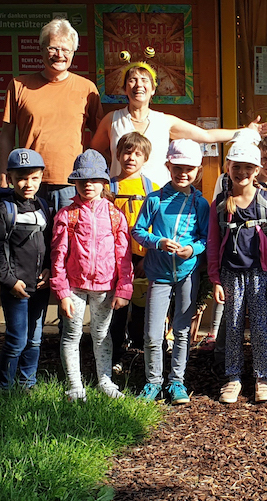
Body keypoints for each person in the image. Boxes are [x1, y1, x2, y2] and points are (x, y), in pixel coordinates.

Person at [91, 61, 267, 187]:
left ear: (153, 89)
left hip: (157, 196)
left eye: (145, 81)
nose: (139, 85)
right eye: (133, 80)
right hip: (121, 196)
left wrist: (246, 131)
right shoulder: (112, 119)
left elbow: (206, 136)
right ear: (124, 88)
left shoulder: (164, 121)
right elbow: (95, 154)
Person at [51, 149, 133, 402]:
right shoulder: (67, 215)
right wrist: (62, 292)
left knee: (101, 334)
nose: (88, 184)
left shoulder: (115, 215)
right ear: (74, 182)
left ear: (104, 182)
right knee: (71, 334)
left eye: (95, 179)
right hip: (74, 287)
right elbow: (58, 256)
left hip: (105, 287)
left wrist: (123, 289)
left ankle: (105, 380)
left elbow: (124, 256)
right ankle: (74, 385)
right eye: (82, 180)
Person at [131, 140, 209, 405]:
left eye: (189, 168)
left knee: (182, 329)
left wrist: (192, 249)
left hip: (187, 273)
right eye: (177, 167)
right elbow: (138, 231)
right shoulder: (155, 199)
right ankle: (153, 381)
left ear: (198, 170)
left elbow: (206, 238)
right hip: (159, 274)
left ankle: (177, 381)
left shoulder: (201, 203)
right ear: (168, 166)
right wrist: (158, 242)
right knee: (153, 332)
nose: (183, 173)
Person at [207, 140, 267, 404]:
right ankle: (233, 378)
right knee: (234, 324)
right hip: (230, 274)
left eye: (248, 168)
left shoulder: (266, 201)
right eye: (237, 167)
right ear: (228, 167)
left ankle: (262, 378)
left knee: (261, 326)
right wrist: (215, 279)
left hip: (260, 274)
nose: (242, 173)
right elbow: (213, 242)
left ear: (257, 169)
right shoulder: (219, 203)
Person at [0, 18, 103, 210]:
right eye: (53, 48)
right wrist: (4, 176)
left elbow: (100, 138)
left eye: (66, 50)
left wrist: (97, 179)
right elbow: (6, 135)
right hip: (28, 182)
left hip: (73, 184)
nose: (59, 55)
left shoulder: (87, 89)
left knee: (69, 240)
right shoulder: (18, 85)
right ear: (41, 49)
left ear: (73, 53)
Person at [0, 148, 52, 391]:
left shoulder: (43, 205)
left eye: (34, 178)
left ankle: (27, 383)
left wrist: (48, 269)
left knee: (34, 339)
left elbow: (49, 242)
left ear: (42, 177)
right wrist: (9, 281)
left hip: (39, 286)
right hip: (15, 287)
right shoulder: (2, 208)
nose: (28, 184)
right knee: (16, 340)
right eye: (21, 177)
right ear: (9, 177)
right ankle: (5, 387)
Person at [108, 132, 159, 372]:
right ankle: (115, 355)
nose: (131, 157)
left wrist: (148, 256)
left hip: (146, 257)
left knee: (144, 308)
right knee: (118, 309)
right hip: (117, 259)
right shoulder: (108, 188)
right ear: (117, 155)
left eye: (138, 153)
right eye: (127, 152)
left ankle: (142, 355)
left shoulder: (154, 190)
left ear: (146, 158)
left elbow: (158, 227)